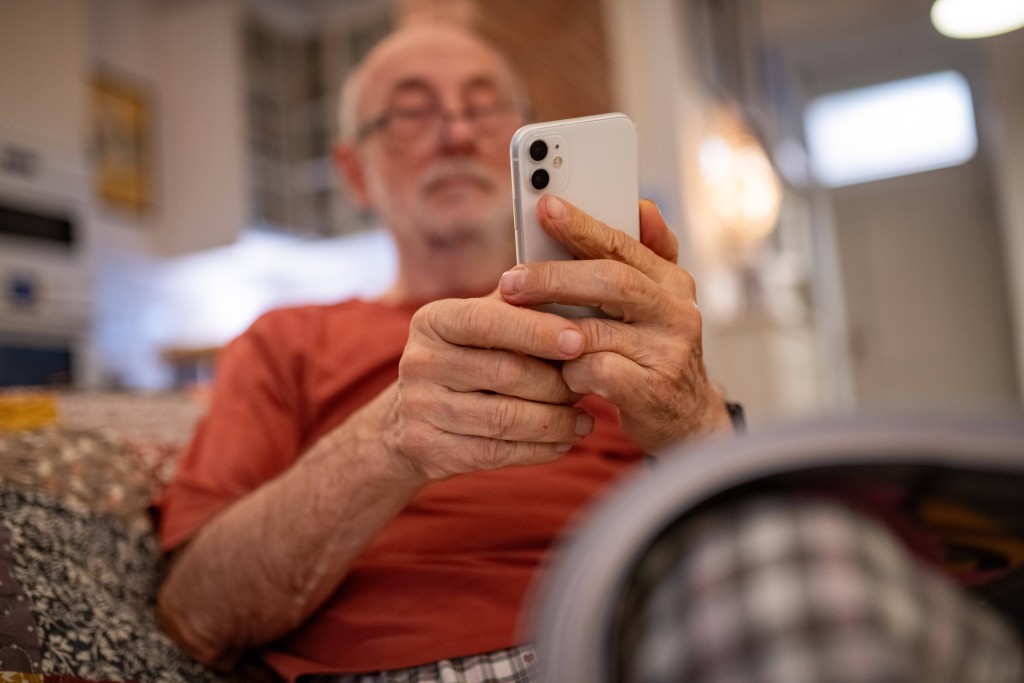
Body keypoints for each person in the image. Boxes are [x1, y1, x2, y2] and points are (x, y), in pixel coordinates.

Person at [156, 23, 733, 682]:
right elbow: (195, 613)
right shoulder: (286, 338)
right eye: (410, 113)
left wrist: (700, 422)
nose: (457, 135)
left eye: (486, 108)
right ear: (354, 171)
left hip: (644, 632)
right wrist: (388, 440)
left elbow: (741, 535)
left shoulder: (618, 312)